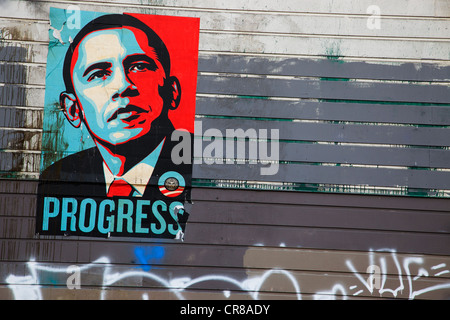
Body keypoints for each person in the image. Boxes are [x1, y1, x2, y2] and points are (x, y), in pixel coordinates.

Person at [37, 14, 192, 238]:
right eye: (98, 73)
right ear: (73, 109)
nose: (122, 85)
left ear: (172, 92)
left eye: (139, 66)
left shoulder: (198, 163)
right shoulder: (57, 179)